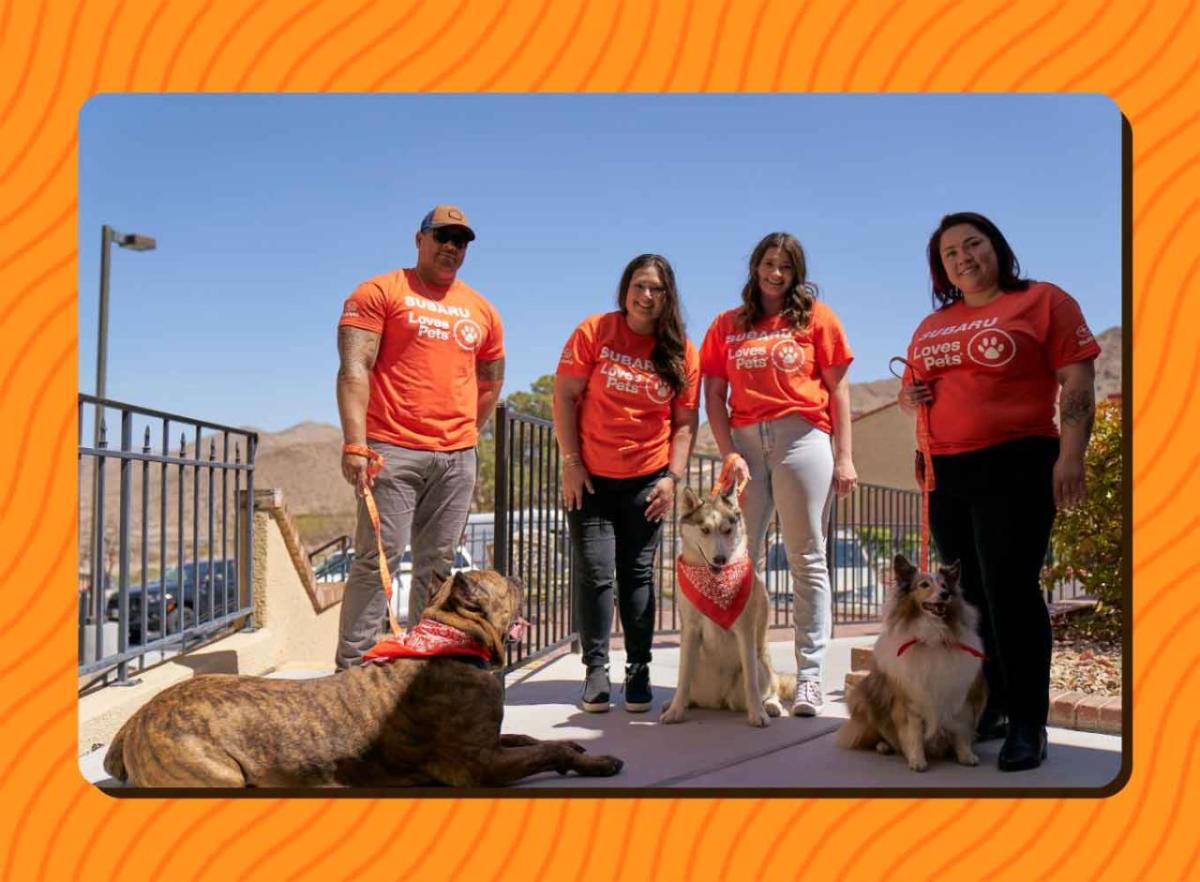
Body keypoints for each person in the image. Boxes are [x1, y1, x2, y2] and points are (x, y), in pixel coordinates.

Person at [899, 211, 1100, 771]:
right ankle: (995, 705)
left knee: (1010, 591)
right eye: (949, 254)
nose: (963, 258)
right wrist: (909, 398)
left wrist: (1071, 455)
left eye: (973, 244)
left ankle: (1031, 723)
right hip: (948, 471)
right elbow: (913, 389)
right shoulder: (932, 325)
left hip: (1017, 461)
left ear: (996, 247)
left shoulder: (1042, 302)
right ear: (941, 268)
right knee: (972, 599)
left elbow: (1078, 380)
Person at [334, 204, 505, 670]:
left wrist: (468, 433)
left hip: (455, 458)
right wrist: (355, 442)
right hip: (391, 450)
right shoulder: (380, 291)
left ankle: (420, 665)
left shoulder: (482, 310)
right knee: (377, 563)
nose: (451, 247)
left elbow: (491, 379)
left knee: (438, 567)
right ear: (419, 238)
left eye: (461, 240)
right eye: (442, 236)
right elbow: (354, 368)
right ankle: (352, 670)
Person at [700, 232, 856, 717]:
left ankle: (809, 678)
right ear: (755, 266)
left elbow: (839, 391)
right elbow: (713, 397)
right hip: (746, 444)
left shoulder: (818, 319)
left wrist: (845, 456)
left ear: (797, 273)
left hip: (802, 439)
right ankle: (757, 673)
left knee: (807, 557)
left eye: (786, 267)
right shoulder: (728, 324)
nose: (776, 274)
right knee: (744, 562)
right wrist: (729, 454)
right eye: (769, 263)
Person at [553, 254, 700, 713]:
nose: (646, 296)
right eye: (639, 285)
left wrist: (672, 478)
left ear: (667, 296)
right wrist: (571, 462)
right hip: (592, 480)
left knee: (636, 576)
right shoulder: (594, 331)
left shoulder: (680, 351)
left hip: (647, 482)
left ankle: (639, 669)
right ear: (626, 289)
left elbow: (684, 423)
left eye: (656, 289)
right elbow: (564, 394)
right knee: (596, 573)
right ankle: (596, 670)